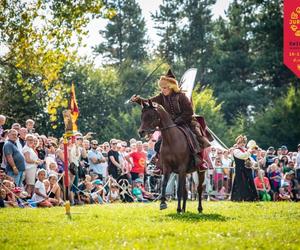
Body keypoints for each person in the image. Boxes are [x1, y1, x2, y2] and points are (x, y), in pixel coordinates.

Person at [131, 69, 210, 170]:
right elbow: (148, 102)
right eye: (162, 88)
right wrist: (138, 100)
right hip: (170, 124)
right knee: (159, 142)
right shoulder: (161, 97)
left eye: (165, 88)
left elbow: (189, 112)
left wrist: (178, 120)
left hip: (186, 121)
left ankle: (201, 161)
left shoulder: (181, 96)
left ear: (171, 87)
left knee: (198, 136)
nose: (162, 90)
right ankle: (159, 164)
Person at [231, 135, 258, 201]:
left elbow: (250, 159)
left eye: (243, 142)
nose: (242, 144)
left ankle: (251, 198)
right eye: (240, 142)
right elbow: (243, 156)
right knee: (242, 184)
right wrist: (249, 152)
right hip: (240, 170)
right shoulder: (236, 151)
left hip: (247, 170)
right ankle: (242, 198)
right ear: (237, 143)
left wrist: (255, 163)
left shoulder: (246, 150)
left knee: (250, 183)